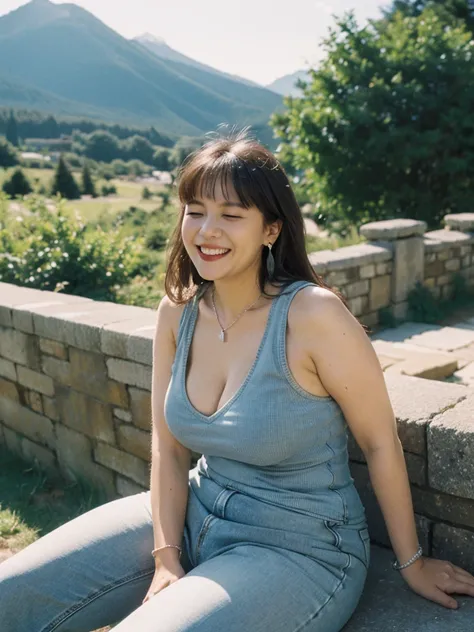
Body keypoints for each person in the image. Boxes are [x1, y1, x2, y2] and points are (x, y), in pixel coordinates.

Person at [1, 128, 474, 632]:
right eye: (195, 210)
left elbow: (380, 442)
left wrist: (411, 562)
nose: (207, 230)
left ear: (270, 229)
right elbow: (168, 444)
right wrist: (165, 556)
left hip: (300, 547)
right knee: (11, 596)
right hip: (195, 511)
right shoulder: (176, 311)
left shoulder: (312, 315)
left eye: (231, 215)